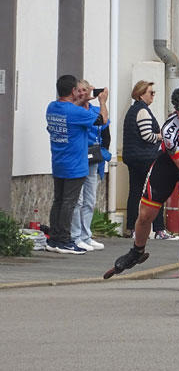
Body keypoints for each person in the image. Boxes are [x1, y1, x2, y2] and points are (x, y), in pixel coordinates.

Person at [104, 86, 179, 292]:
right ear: (175, 109)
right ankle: (137, 251)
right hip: (171, 164)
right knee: (145, 215)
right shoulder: (169, 129)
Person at [45, 75, 108, 254]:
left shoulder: (52, 107)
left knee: (58, 201)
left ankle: (55, 239)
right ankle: (64, 240)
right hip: (75, 164)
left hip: (58, 161)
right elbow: (101, 120)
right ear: (73, 90)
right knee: (69, 203)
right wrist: (102, 101)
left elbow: (69, 113)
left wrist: (81, 101)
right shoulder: (76, 113)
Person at [122, 80, 175, 240]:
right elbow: (147, 136)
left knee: (135, 192)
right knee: (155, 192)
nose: (153, 96)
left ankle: (131, 228)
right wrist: (162, 136)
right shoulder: (143, 111)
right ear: (140, 94)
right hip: (145, 157)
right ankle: (159, 229)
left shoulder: (132, 110)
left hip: (132, 157)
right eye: (150, 93)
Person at [70, 79, 110, 251]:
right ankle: (75, 236)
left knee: (89, 199)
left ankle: (86, 235)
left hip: (93, 158)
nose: (83, 93)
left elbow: (104, 121)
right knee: (77, 200)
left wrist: (102, 102)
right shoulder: (74, 109)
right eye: (79, 91)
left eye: (86, 90)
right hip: (77, 157)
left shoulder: (94, 110)